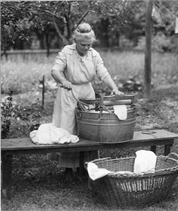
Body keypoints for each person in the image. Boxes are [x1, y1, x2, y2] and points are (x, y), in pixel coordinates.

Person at [49, 23, 124, 174]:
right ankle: (68, 167)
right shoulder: (67, 52)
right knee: (68, 127)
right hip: (69, 91)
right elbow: (55, 70)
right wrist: (63, 81)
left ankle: (86, 164)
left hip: (87, 93)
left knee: (88, 128)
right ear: (75, 41)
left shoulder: (94, 54)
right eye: (83, 45)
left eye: (89, 45)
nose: (86, 48)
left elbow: (103, 73)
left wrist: (114, 88)